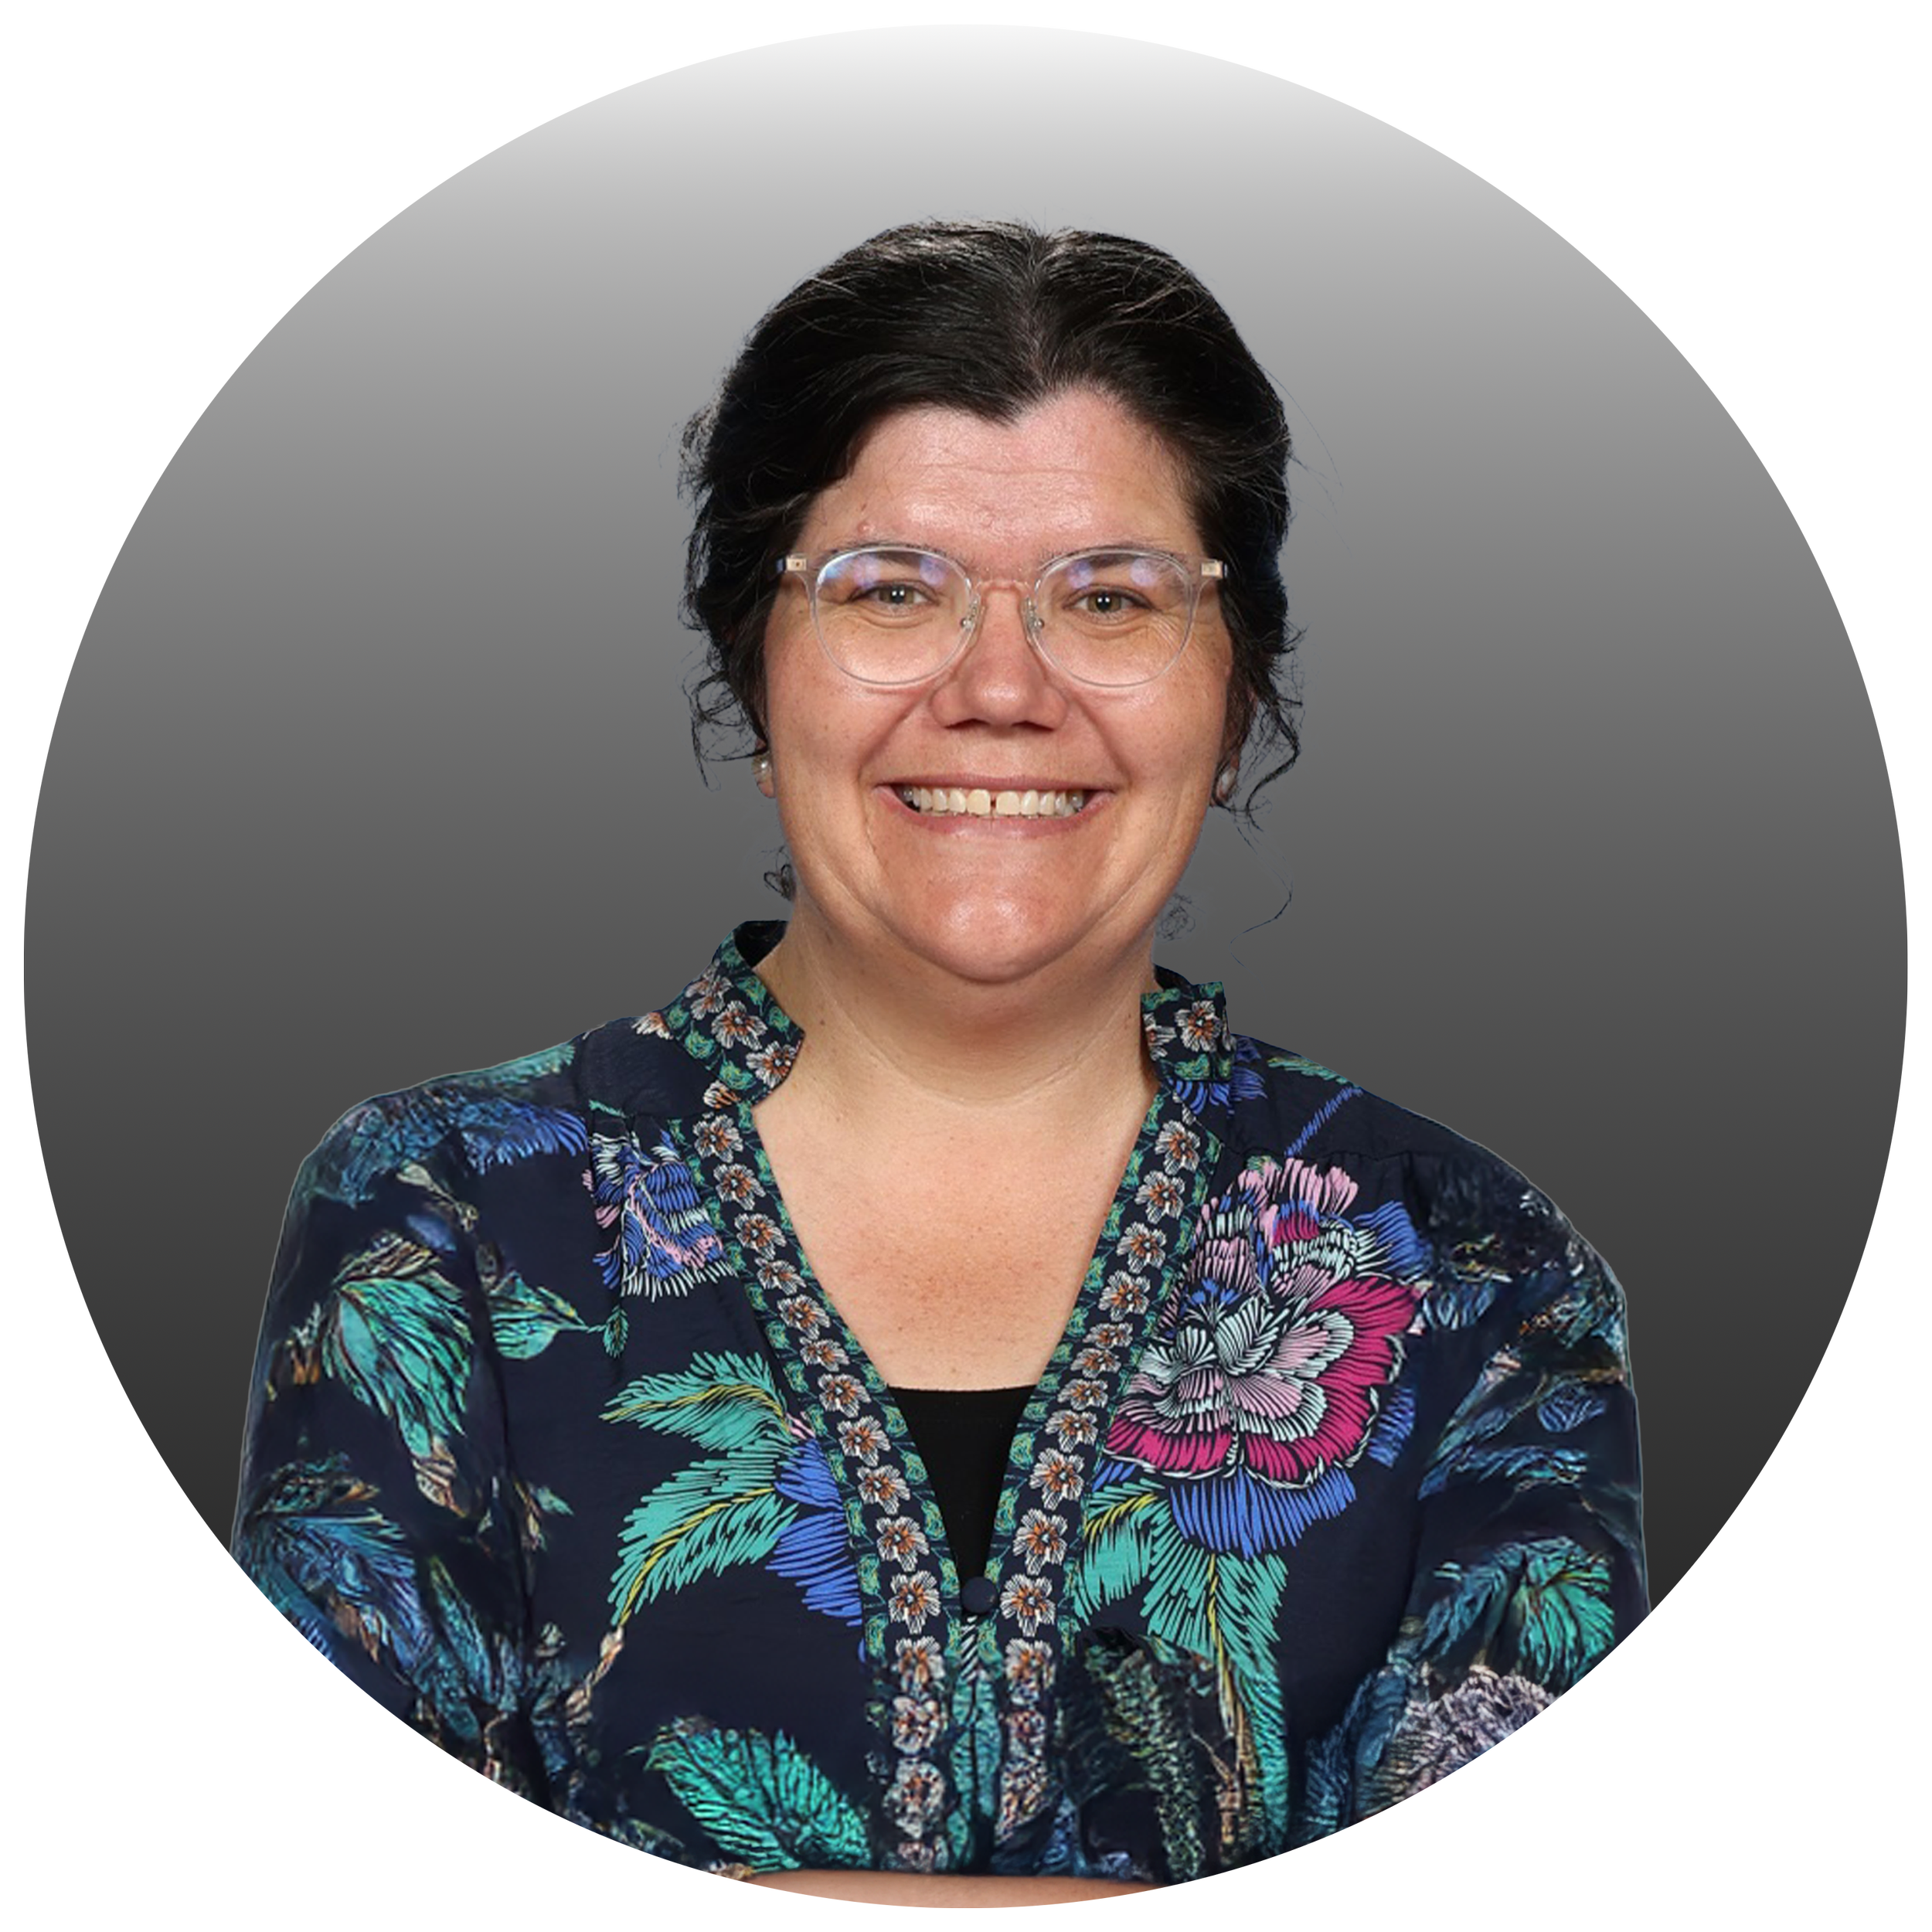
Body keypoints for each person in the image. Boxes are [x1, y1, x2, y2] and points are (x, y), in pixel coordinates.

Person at [234, 219, 1648, 1907]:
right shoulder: (441, 1220)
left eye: (1109, 598)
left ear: (1236, 681)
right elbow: (349, 1867)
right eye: (889, 590)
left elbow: (1517, 1881)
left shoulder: (1482, 1272)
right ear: (755, 679)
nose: (997, 688)